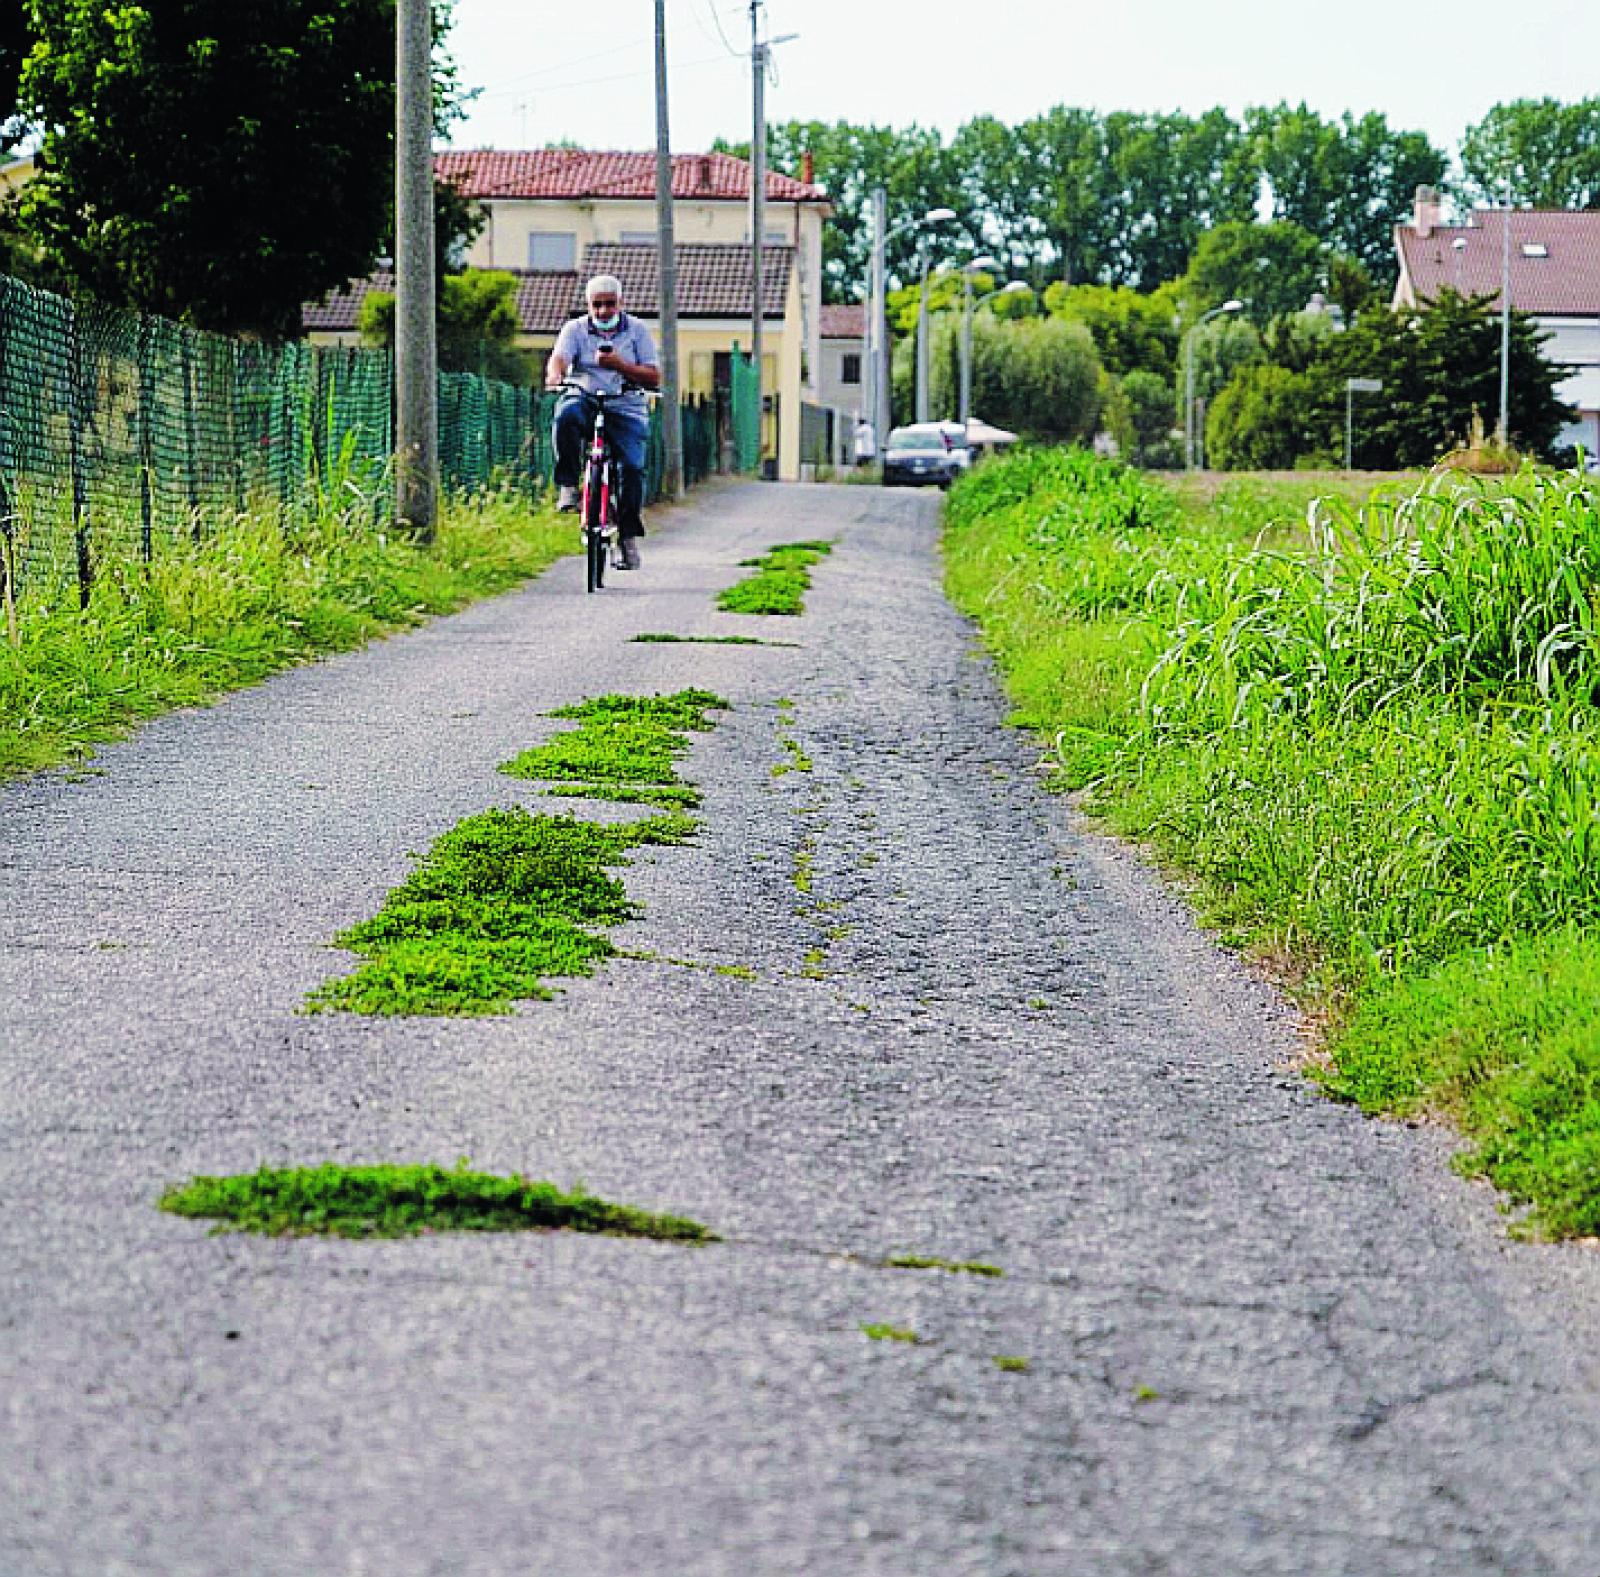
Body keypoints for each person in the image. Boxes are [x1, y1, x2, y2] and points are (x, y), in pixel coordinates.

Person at [545, 275, 660, 570]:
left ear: (620, 304)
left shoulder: (637, 331)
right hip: (586, 397)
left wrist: (619, 365)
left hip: (625, 405)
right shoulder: (575, 329)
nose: (603, 311)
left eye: (610, 304)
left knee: (632, 469)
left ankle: (628, 537)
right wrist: (556, 375)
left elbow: (653, 376)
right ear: (588, 305)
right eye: (597, 305)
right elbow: (559, 358)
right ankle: (569, 485)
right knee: (565, 416)